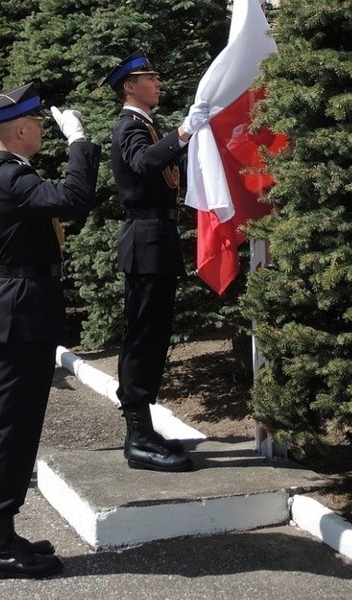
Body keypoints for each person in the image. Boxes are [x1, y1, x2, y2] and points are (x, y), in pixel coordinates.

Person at [0, 83, 100, 580]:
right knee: (11, 425)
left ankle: (3, 532)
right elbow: (74, 197)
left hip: (17, 308)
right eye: (41, 125)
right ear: (22, 130)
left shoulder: (1, 174)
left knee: (13, 422)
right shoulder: (9, 177)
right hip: (19, 311)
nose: (45, 130)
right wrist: (79, 143)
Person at [106, 50, 210, 473]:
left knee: (155, 335)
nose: (159, 83)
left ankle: (144, 428)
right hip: (145, 240)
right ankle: (137, 435)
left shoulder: (148, 126)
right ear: (130, 87)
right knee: (143, 336)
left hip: (157, 240)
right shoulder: (130, 126)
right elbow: (144, 162)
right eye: (151, 78)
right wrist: (185, 131)